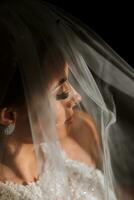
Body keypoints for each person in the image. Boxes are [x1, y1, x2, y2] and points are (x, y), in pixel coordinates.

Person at [0, 0, 133, 199]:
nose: (77, 97)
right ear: (9, 115)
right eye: (60, 92)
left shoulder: (81, 133)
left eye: (69, 82)